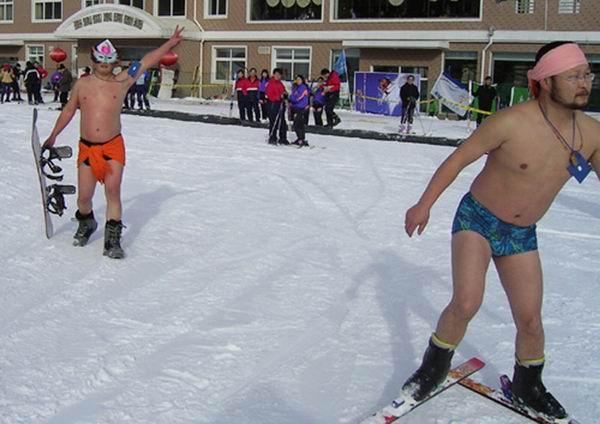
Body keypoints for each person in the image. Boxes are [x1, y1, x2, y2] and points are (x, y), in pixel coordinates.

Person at [401, 41, 599, 420]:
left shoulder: (591, 134)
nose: (584, 82)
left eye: (587, 74)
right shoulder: (510, 122)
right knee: (467, 302)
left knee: (531, 320)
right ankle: (433, 368)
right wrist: (424, 204)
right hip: (478, 220)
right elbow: (458, 159)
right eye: (573, 76)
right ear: (546, 81)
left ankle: (528, 385)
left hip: (521, 234)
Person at [42, 27, 184, 259]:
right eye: (100, 60)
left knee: (112, 191)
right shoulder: (82, 84)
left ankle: (112, 240)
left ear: (115, 62)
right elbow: (68, 110)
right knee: (84, 197)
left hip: (112, 146)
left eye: (109, 60)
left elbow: (146, 61)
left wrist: (170, 43)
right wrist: (53, 135)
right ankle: (87, 222)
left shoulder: (123, 81)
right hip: (87, 148)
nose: (104, 64)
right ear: (93, 61)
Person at [265, 67, 288, 145]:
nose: (278, 76)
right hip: (273, 104)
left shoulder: (280, 84)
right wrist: (278, 97)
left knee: (282, 121)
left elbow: (284, 91)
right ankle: (272, 137)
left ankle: (283, 138)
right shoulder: (270, 83)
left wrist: (285, 95)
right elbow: (269, 94)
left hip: (280, 104)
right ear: (274, 75)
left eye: (279, 75)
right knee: (273, 121)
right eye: (276, 74)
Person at [289, 74, 310, 147]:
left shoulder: (303, 87)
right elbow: (293, 96)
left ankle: (301, 138)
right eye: (297, 79)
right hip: (296, 107)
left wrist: (291, 99)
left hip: (301, 107)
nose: (298, 81)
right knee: (300, 123)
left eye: (299, 79)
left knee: (297, 124)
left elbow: (297, 98)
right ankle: (300, 138)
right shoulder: (296, 87)